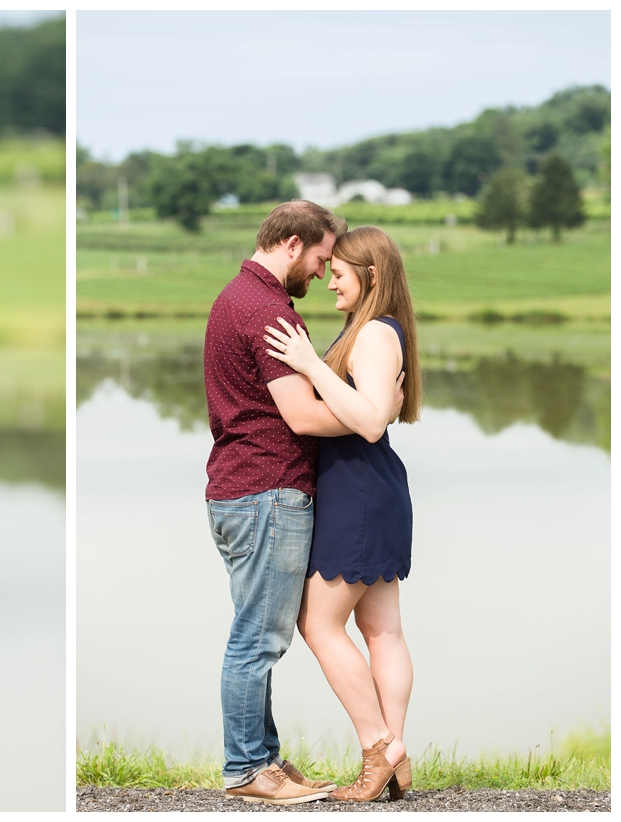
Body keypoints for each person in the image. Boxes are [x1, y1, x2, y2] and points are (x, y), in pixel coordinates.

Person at [203, 200, 356, 805]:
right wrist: (372, 416)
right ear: (293, 244)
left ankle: (263, 758)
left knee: (255, 630)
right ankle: (246, 769)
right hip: (266, 489)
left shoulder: (237, 296)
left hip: (243, 489)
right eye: (320, 258)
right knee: (258, 639)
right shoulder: (267, 311)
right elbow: (301, 414)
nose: (321, 273)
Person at [264, 225, 420, 803]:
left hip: (356, 489)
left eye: (340, 270)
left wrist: (309, 362)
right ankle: (395, 756)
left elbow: (373, 420)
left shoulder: (376, 334)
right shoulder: (375, 330)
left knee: (319, 623)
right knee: (382, 629)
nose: (329, 278)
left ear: (370, 275)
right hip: (371, 486)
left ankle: (381, 746)